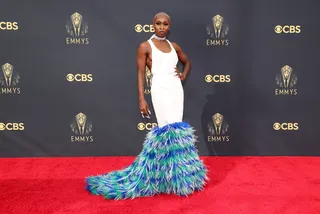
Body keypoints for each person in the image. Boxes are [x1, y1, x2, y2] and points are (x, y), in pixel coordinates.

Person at [85, 12, 208, 200]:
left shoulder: (173, 46)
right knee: (166, 130)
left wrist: (183, 74)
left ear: (169, 26)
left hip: (176, 90)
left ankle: (174, 177)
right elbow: (140, 74)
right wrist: (142, 99)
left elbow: (187, 61)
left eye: (165, 24)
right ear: (153, 25)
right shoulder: (145, 46)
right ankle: (162, 176)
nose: (161, 27)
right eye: (158, 23)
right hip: (159, 90)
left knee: (177, 132)